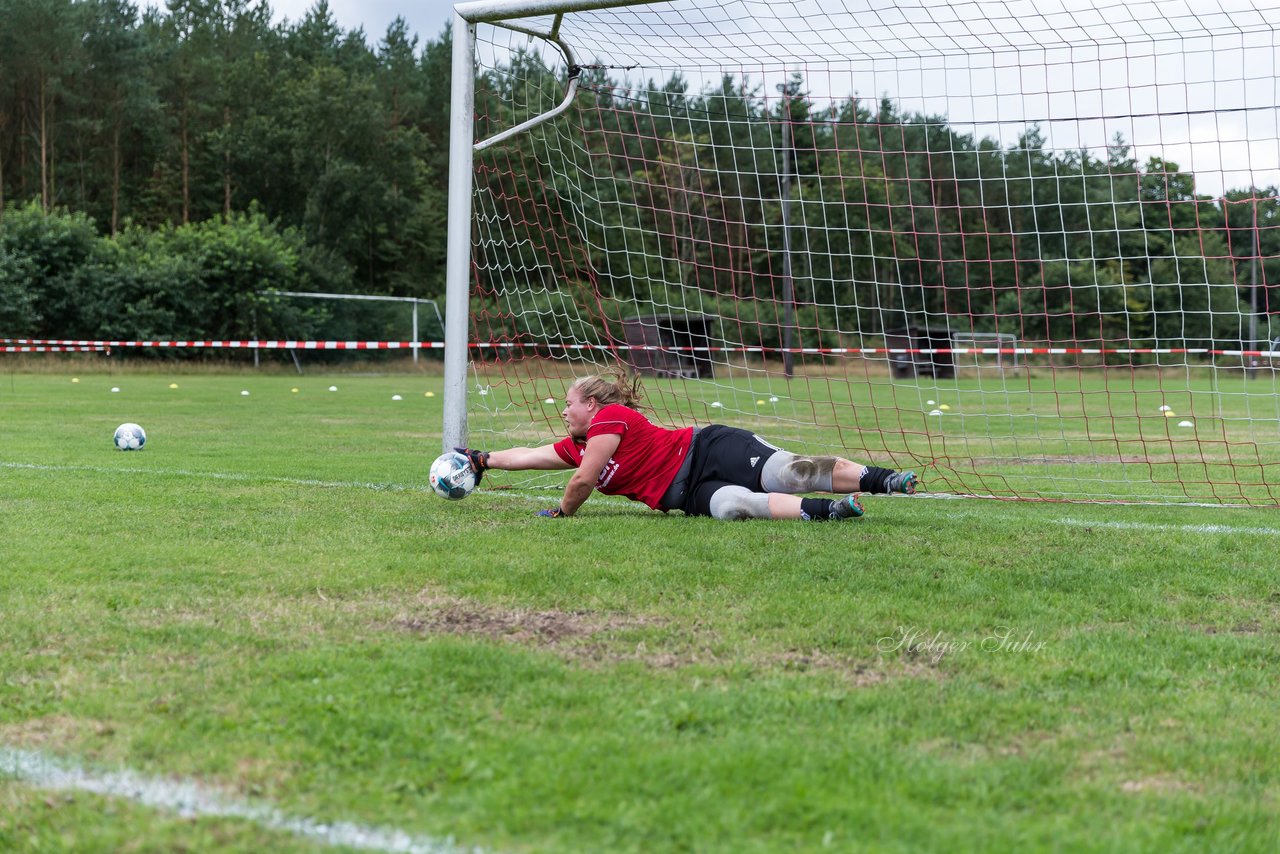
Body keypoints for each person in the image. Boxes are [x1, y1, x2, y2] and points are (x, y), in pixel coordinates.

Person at [453, 372, 918, 520]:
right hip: (686, 493)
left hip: (707, 449)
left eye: (568, 405)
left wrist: (562, 513)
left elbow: (583, 481)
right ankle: (827, 512)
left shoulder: (611, 419)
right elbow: (529, 457)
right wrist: (483, 461)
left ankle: (885, 480)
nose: (563, 412)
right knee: (733, 506)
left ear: (591, 405)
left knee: (789, 469)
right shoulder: (578, 444)